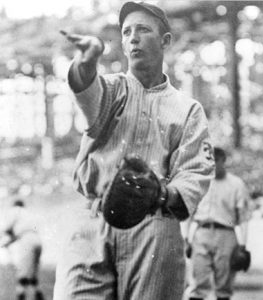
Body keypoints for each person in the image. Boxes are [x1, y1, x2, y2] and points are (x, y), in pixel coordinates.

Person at [54, 2, 215, 300]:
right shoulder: (112, 89)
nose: (133, 38)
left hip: (153, 222)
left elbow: (195, 172)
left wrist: (162, 194)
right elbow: (86, 90)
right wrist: (87, 61)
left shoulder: (187, 109)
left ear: (165, 41)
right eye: (126, 32)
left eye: (142, 30)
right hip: (94, 217)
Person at [186, 147, 251, 300]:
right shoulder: (199, 181)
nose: (213, 165)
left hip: (226, 234)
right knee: (198, 280)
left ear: (223, 161)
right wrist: (186, 239)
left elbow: (244, 218)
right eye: (209, 161)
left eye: (216, 161)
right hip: (201, 232)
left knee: (224, 283)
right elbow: (189, 212)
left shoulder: (236, 184)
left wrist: (243, 246)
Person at [0, 198, 44, 300]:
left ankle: (21, 296)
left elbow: (7, 229)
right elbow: (19, 233)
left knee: (23, 272)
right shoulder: (28, 214)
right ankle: (37, 293)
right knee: (32, 271)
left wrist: (3, 242)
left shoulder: (15, 211)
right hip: (37, 240)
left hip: (26, 240)